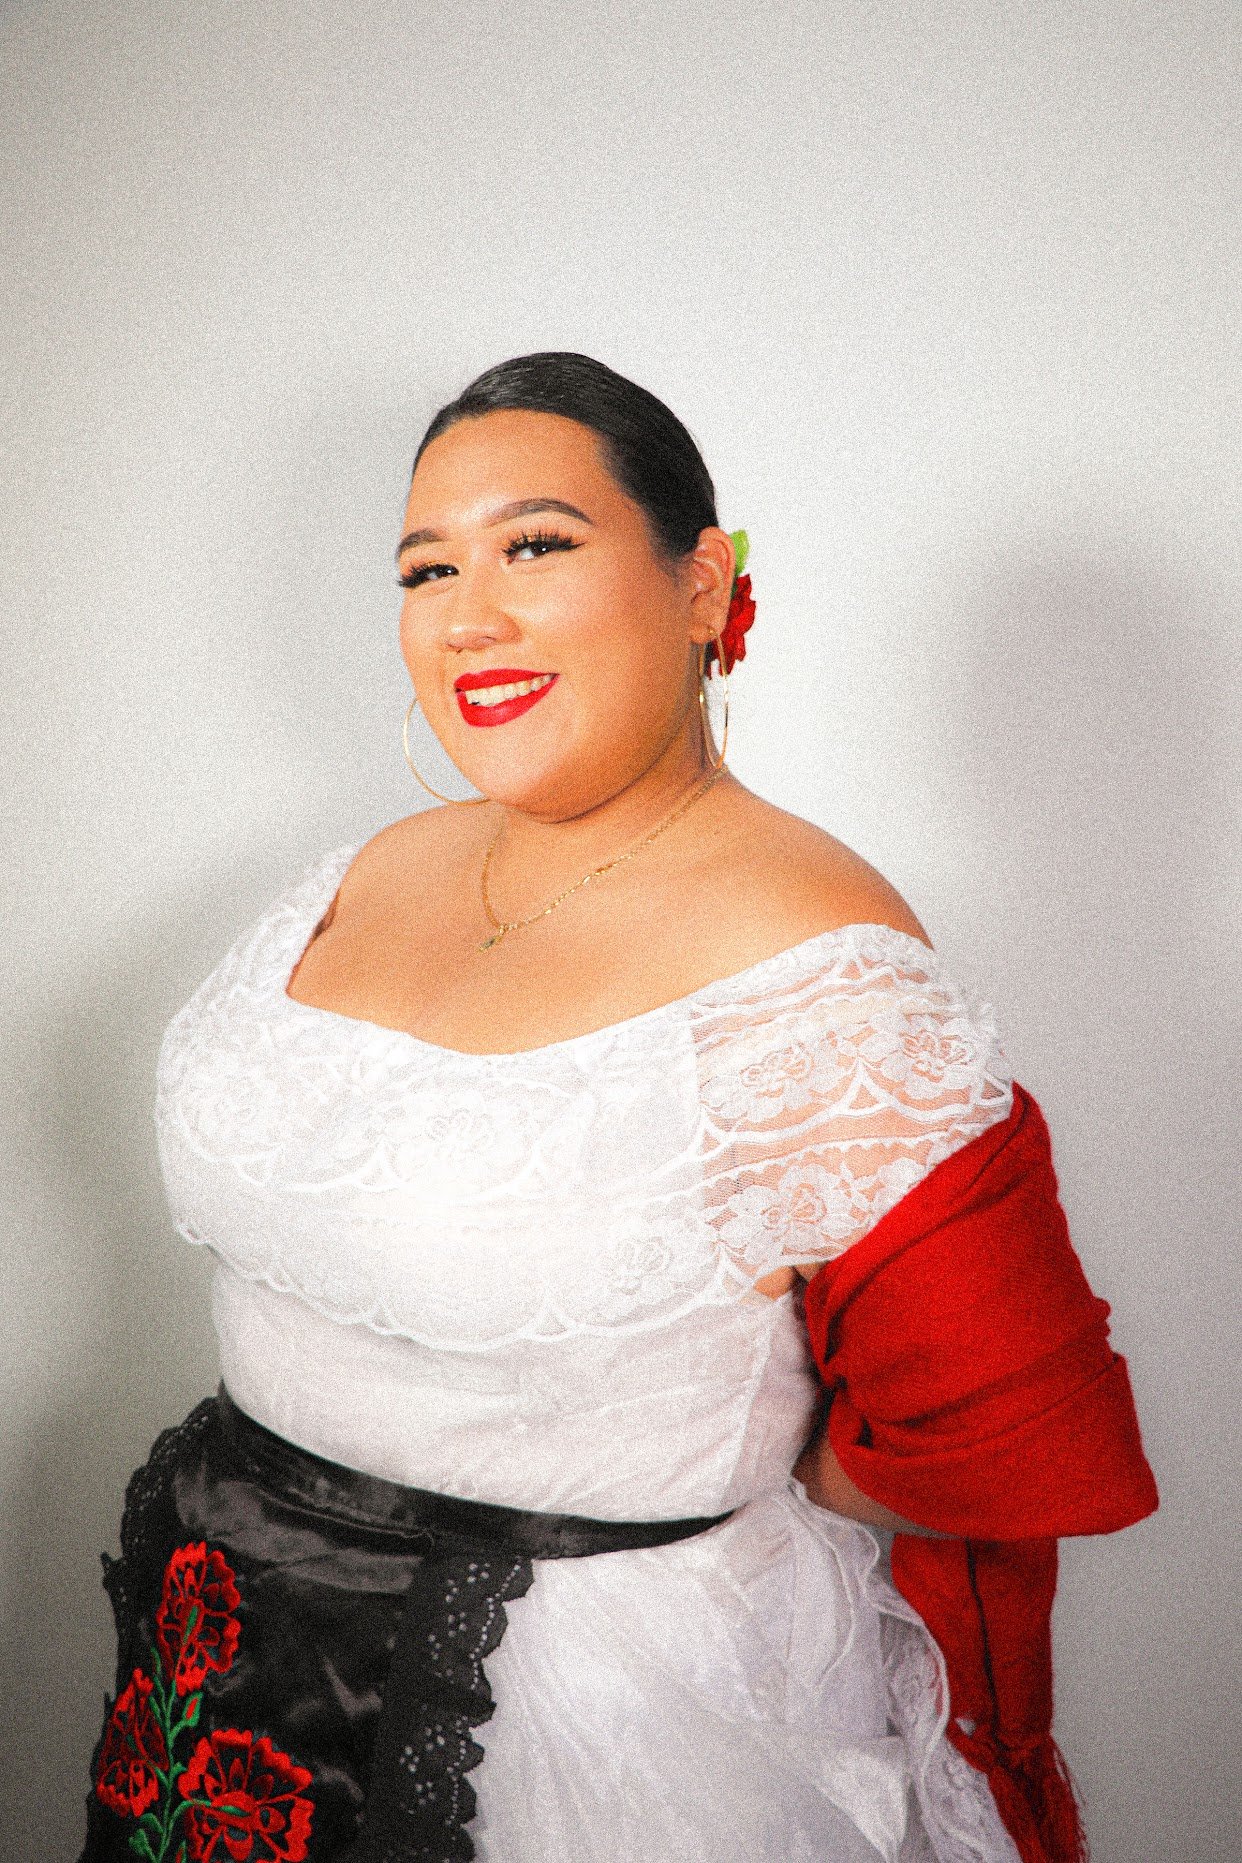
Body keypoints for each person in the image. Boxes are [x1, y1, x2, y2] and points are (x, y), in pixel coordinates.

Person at [79, 352, 1156, 1863]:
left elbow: (1002, 1429)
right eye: (425, 567)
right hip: (226, 1657)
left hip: (577, 1733)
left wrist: (671, 1457)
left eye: (535, 544)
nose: (470, 614)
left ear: (703, 583)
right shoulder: (364, 867)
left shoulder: (819, 964)